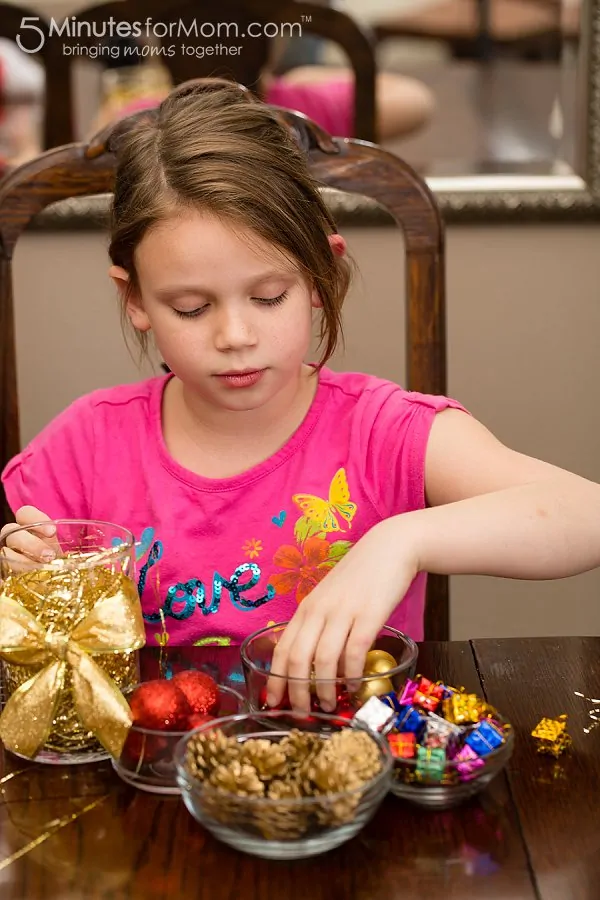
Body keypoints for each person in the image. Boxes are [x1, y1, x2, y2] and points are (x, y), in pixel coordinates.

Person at [2, 80, 600, 716]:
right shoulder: (87, 445)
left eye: (267, 298)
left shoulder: (382, 433)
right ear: (136, 300)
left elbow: (583, 514)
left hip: (359, 775)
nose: (235, 335)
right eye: (192, 307)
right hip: (154, 788)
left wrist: (403, 540)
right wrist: (23, 577)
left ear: (319, 275)